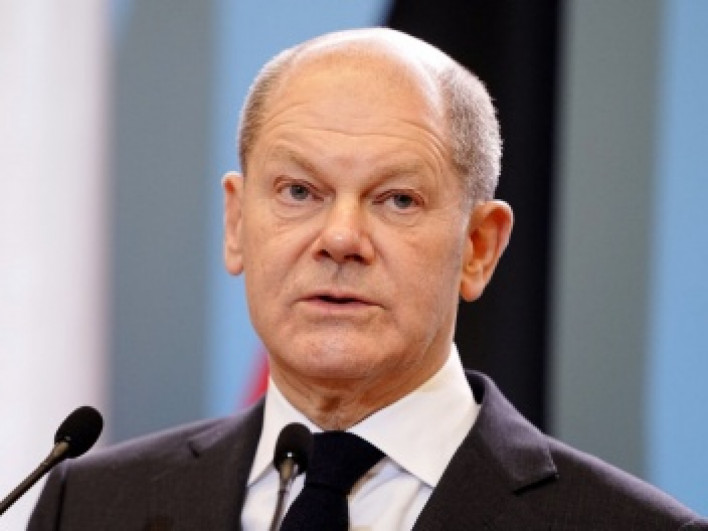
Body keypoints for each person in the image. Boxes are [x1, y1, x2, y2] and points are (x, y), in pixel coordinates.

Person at [28, 28, 707, 530]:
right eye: (298, 191)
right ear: (236, 222)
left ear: (478, 247)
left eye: (398, 200)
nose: (341, 239)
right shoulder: (86, 506)